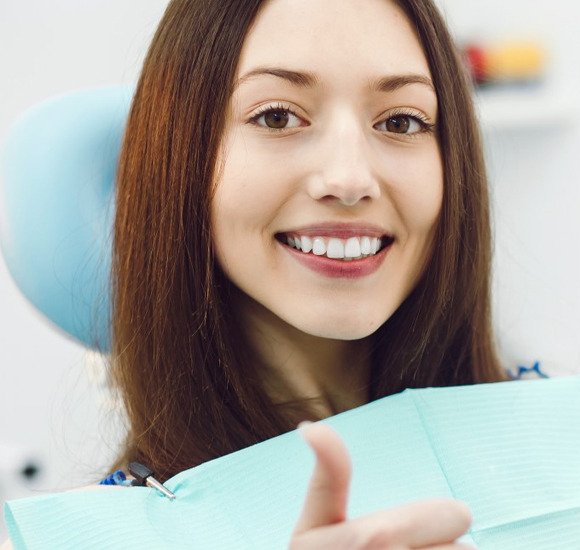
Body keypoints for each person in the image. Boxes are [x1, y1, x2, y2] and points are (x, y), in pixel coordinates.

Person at [2, 0, 505, 547]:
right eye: (276, 117)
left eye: (400, 121)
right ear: (181, 160)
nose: (349, 179)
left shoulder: (561, 428)